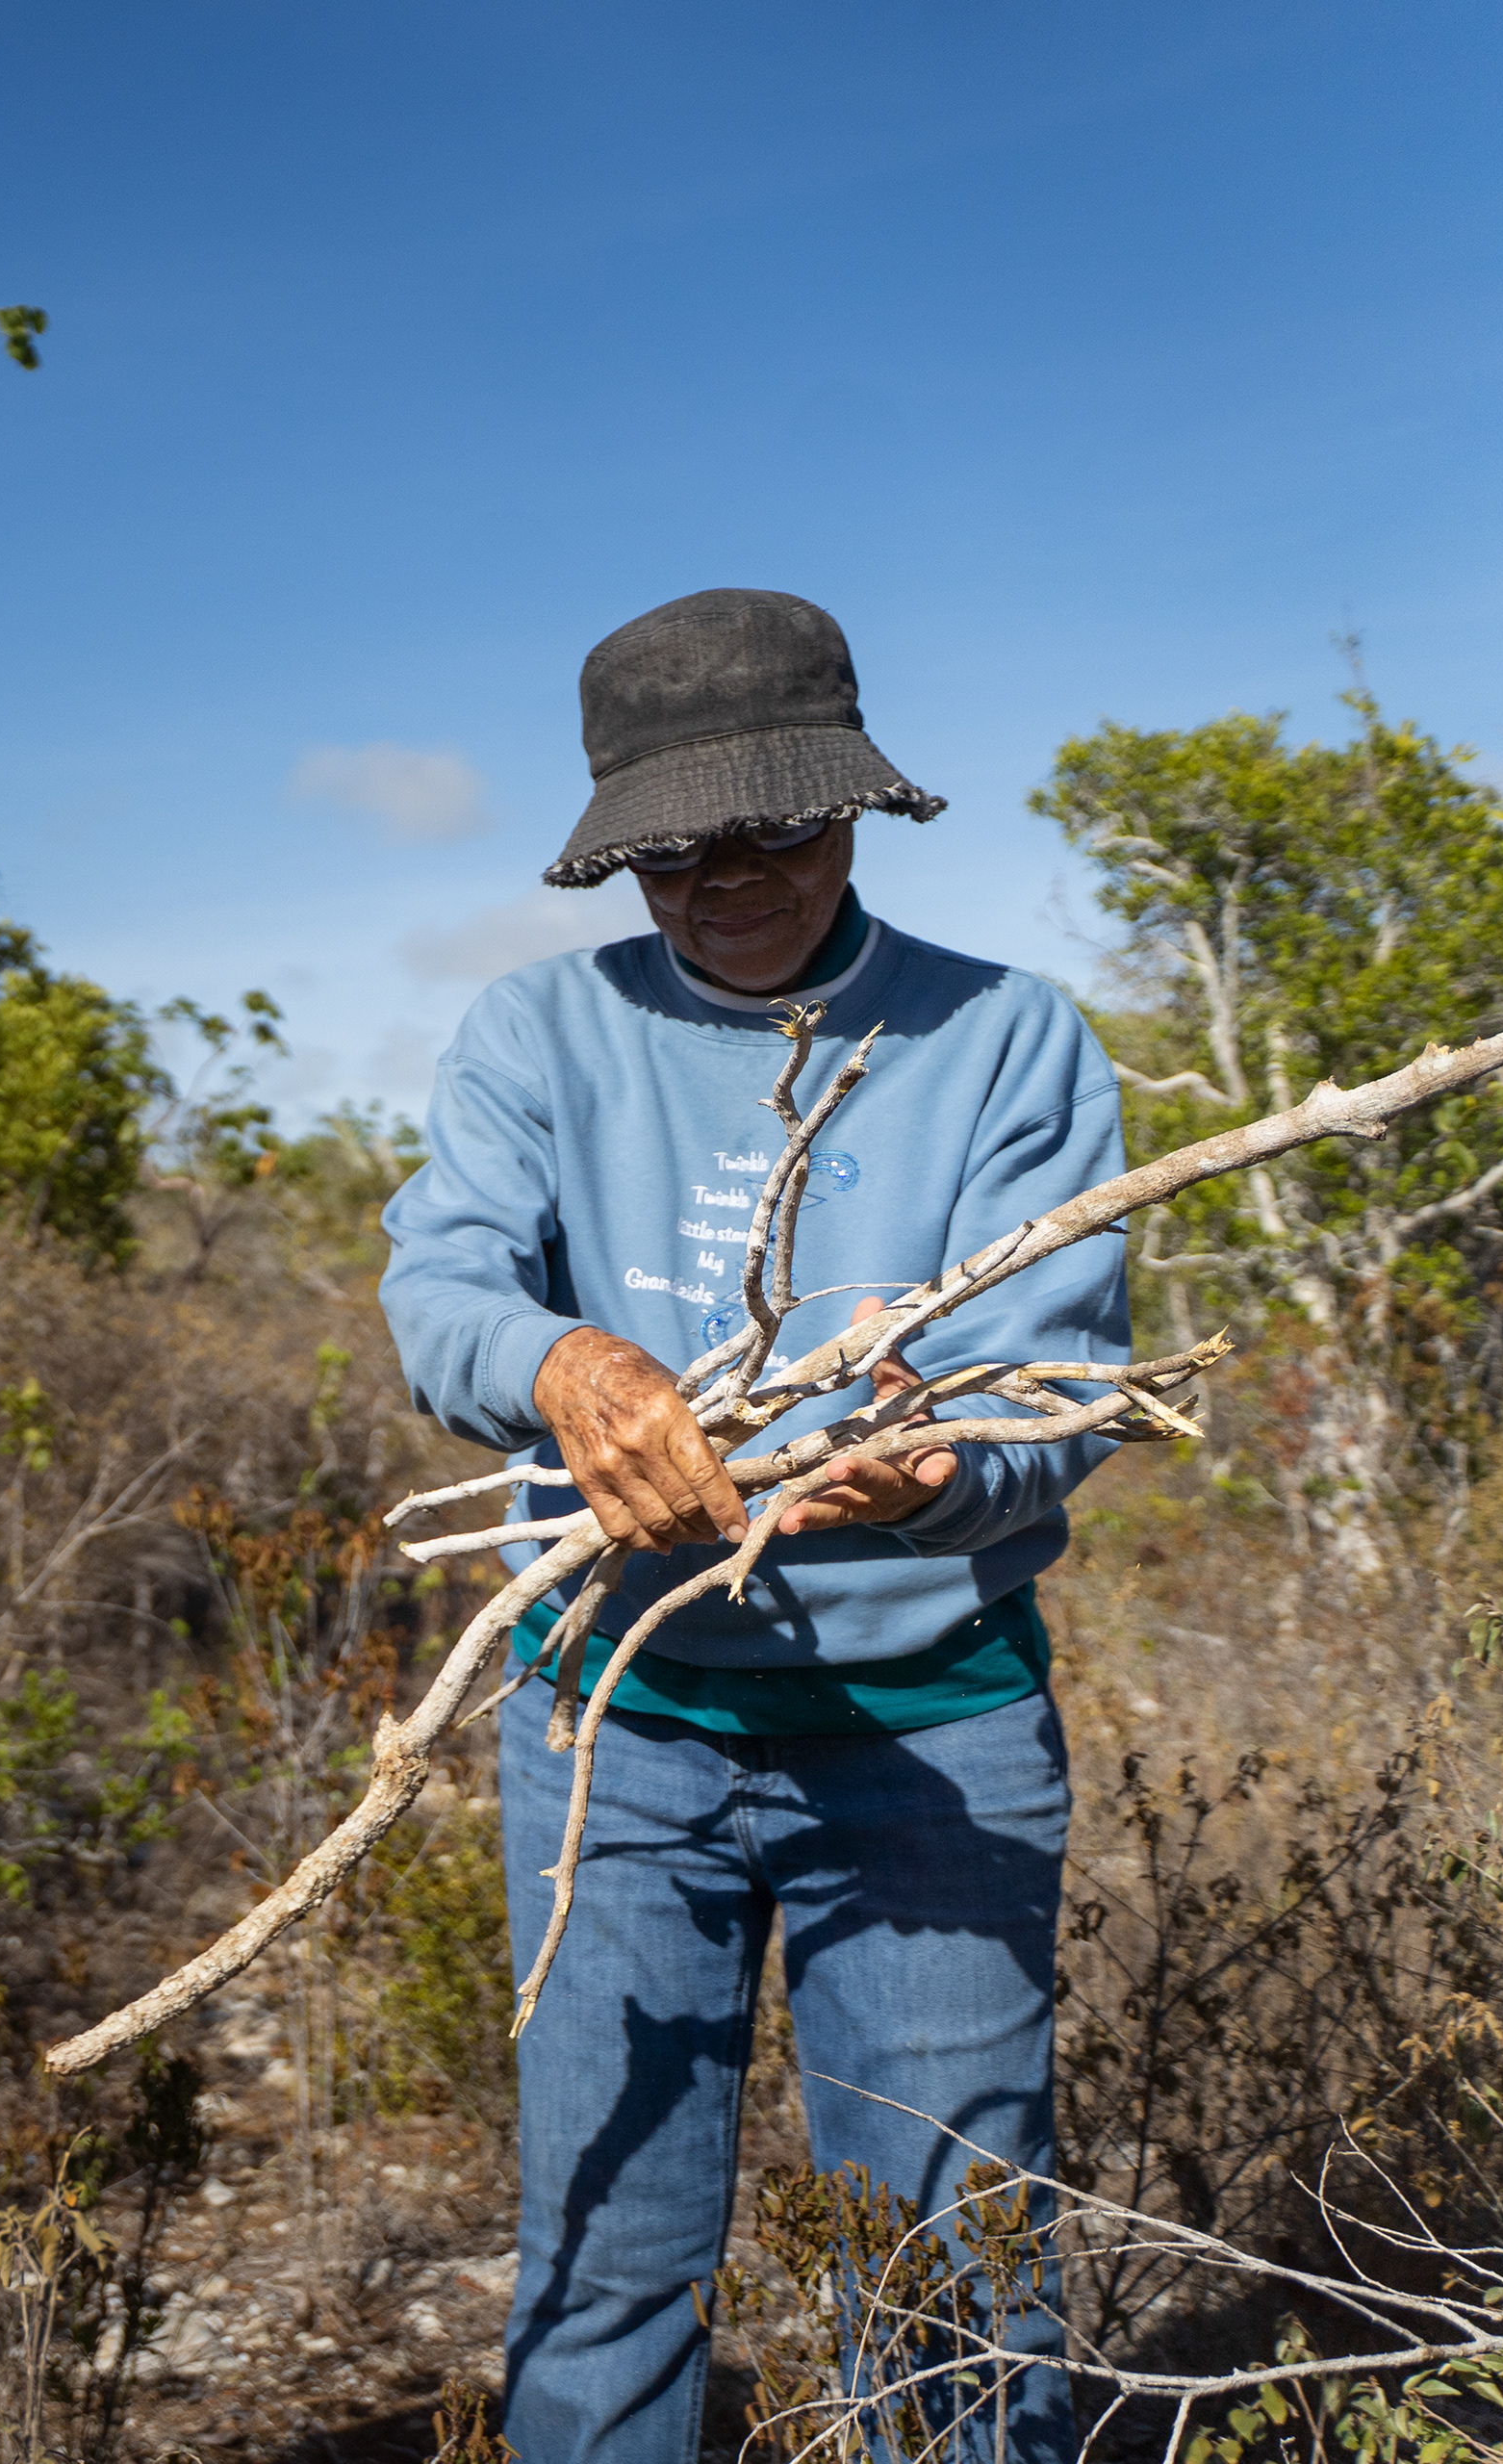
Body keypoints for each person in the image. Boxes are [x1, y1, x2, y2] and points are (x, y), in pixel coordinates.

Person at [377, 589, 1127, 2464]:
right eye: (673, 846)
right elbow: (445, 1280)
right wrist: (567, 1371)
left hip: (930, 1729)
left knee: (949, 2267)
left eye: (776, 830)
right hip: (611, 1732)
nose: (727, 878)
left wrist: (941, 1472)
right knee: (608, 2260)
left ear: (854, 806)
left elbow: (1061, 1382)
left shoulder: (1009, 1040)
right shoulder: (537, 1032)